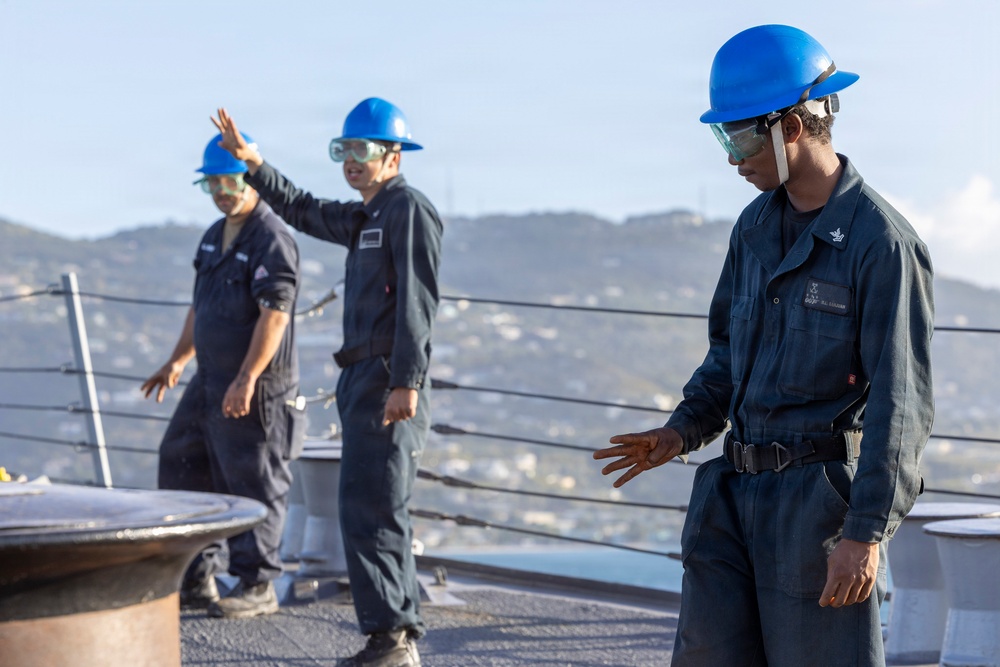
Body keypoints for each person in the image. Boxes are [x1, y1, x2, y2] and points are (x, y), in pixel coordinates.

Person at [594, 24, 934, 665]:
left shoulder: (881, 244)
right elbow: (727, 354)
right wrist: (681, 431)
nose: (731, 156)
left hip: (817, 512)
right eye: (722, 136)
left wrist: (864, 534)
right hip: (732, 499)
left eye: (741, 134)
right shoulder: (753, 227)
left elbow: (902, 403)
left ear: (793, 126)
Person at [211, 98, 442, 667]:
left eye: (361, 150)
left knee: (377, 506)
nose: (351, 161)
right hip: (361, 377)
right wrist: (254, 163)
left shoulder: (407, 209)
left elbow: (418, 299)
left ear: (392, 155)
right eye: (343, 150)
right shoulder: (366, 215)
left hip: (389, 375)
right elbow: (304, 210)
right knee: (367, 505)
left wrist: (407, 381)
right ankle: (395, 635)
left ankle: (391, 638)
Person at [141, 131, 303, 619]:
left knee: (253, 477)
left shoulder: (272, 238)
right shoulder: (214, 235)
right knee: (182, 459)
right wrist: (177, 360)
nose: (220, 193)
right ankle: (197, 576)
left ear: (249, 180)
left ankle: (257, 584)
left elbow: (274, 315)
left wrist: (248, 378)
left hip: (256, 385)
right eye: (211, 184)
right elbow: (201, 307)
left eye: (228, 183)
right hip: (210, 377)